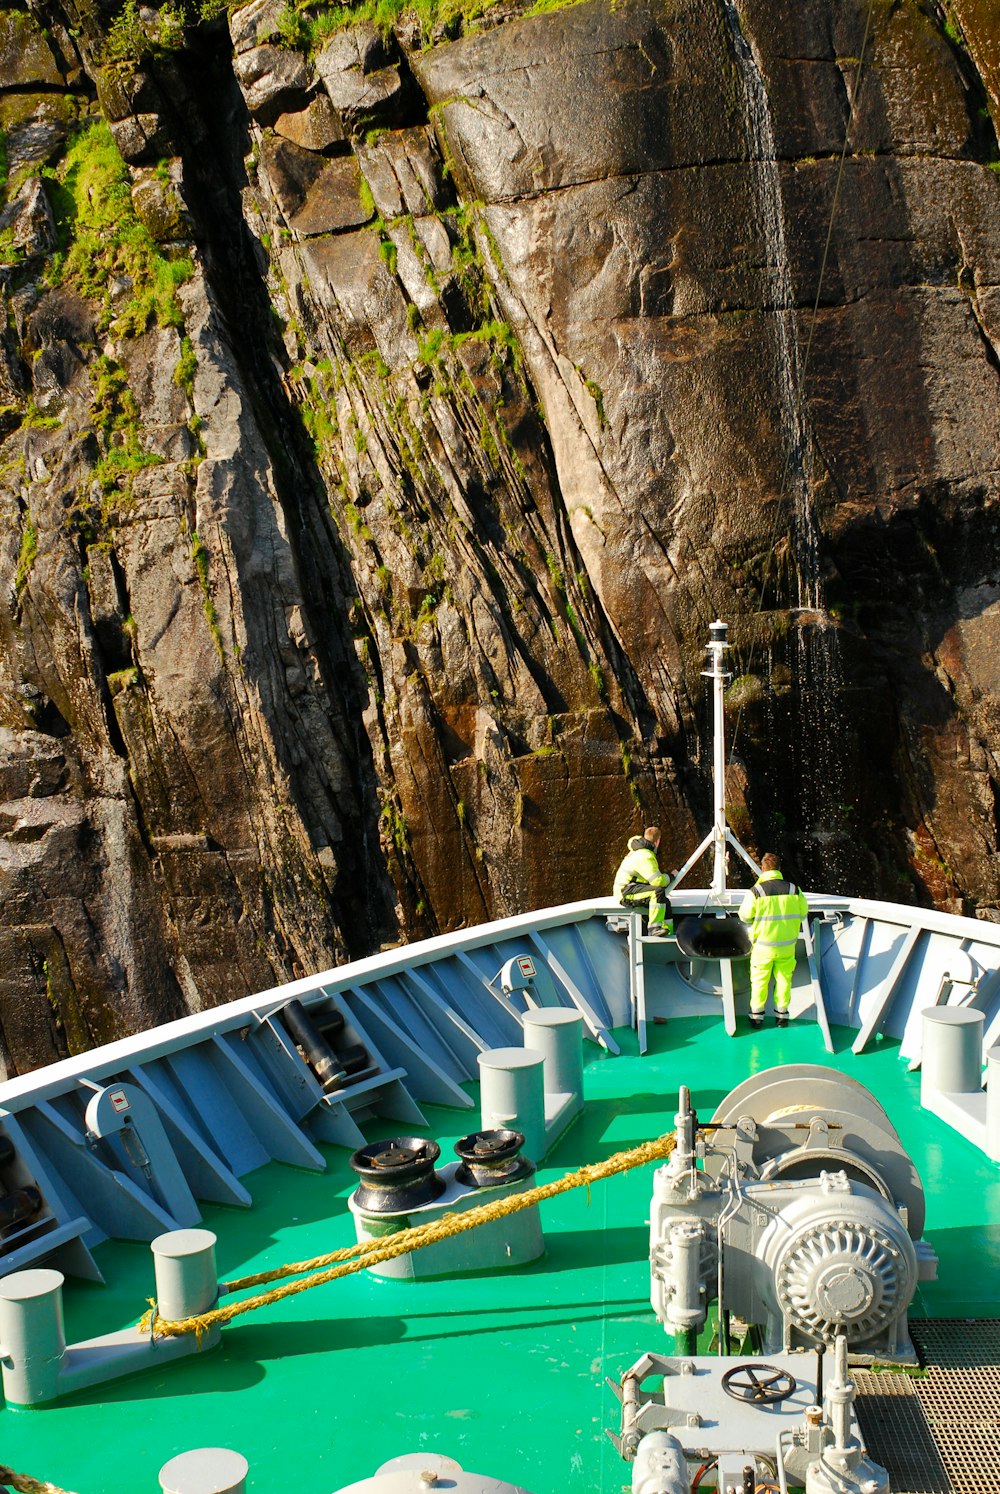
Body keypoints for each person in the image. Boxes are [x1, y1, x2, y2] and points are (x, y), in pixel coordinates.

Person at [739, 852, 808, 1027]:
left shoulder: (756, 891)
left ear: (763, 868)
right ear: (779, 868)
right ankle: (782, 1016)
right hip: (787, 946)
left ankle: (756, 1017)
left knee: (759, 981)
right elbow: (802, 913)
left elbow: (745, 916)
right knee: (784, 980)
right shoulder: (794, 890)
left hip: (763, 946)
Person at [613, 826, 673, 936]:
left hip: (631, 888)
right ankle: (654, 928)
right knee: (657, 892)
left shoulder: (639, 851)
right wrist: (670, 876)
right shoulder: (645, 856)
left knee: (664, 901)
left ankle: (669, 933)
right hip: (625, 893)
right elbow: (657, 881)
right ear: (658, 841)